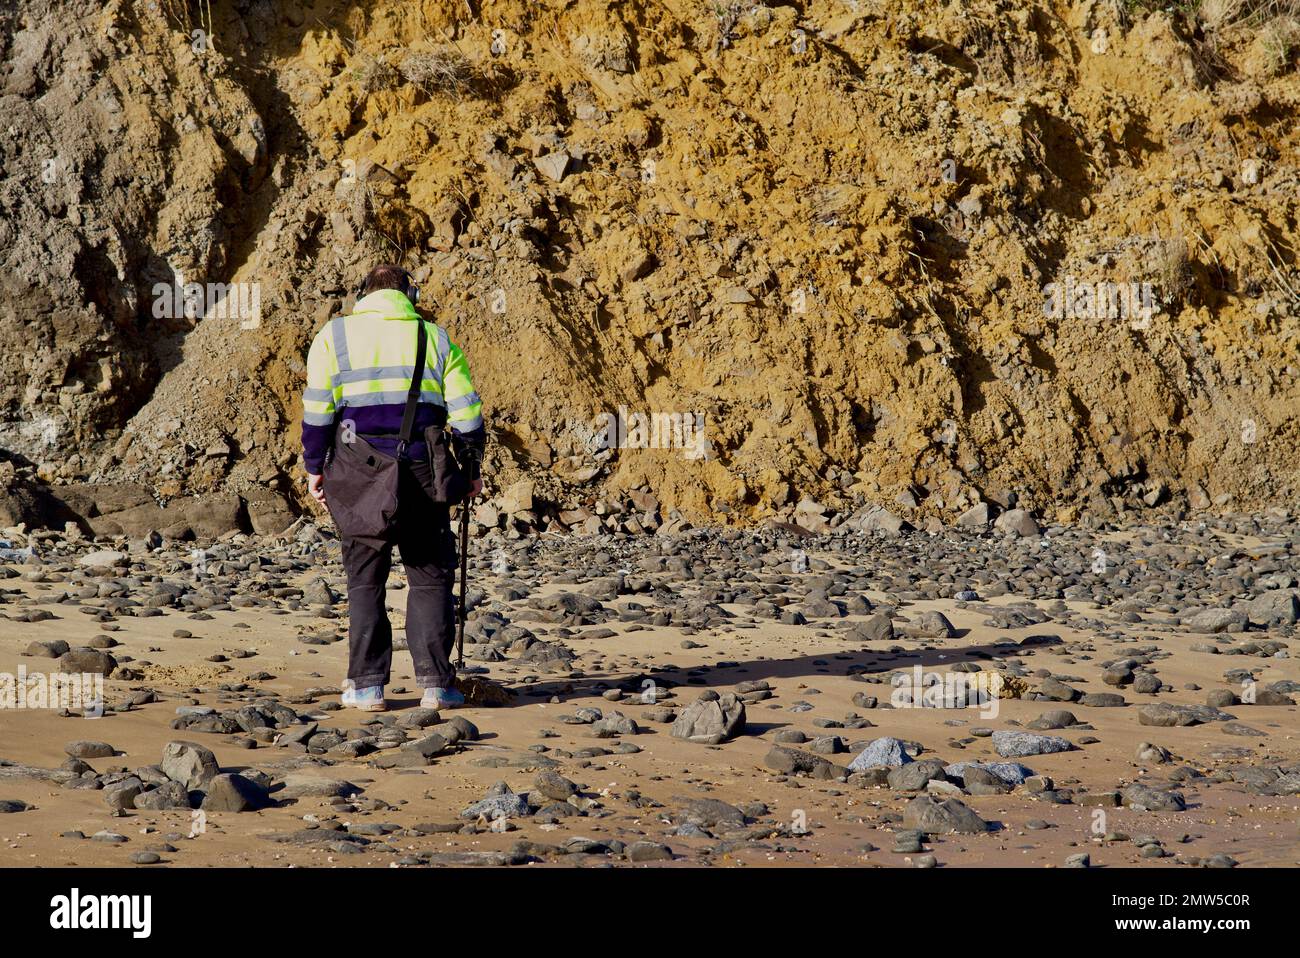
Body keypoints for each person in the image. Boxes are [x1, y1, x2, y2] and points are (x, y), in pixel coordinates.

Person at [300, 264, 484, 712]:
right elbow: (467, 418)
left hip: (357, 468)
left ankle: (366, 687)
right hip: (423, 468)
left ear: (361, 294)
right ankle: (437, 686)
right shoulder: (436, 338)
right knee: (429, 576)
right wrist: (471, 469)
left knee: (364, 579)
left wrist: (314, 467)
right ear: (411, 294)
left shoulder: (333, 336)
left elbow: (318, 411)